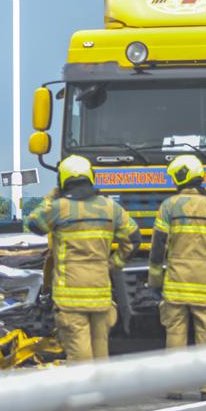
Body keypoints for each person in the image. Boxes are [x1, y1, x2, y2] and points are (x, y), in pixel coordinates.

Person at [26, 155, 140, 362]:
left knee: (80, 352)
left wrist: (52, 196)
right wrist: (114, 264)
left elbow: (34, 224)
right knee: (100, 350)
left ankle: (84, 384)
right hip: (100, 293)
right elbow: (133, 239)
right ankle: (101, 383)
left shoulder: (58, 208)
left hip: (70, 296)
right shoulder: (110, 207)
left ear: (63, 180)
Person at [148, 154, 206, 401]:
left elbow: (158, 247)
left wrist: (155, 280)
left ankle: (175, 386)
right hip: (205, 283)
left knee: (175, 333)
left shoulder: (168, 206)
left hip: (176, 283)